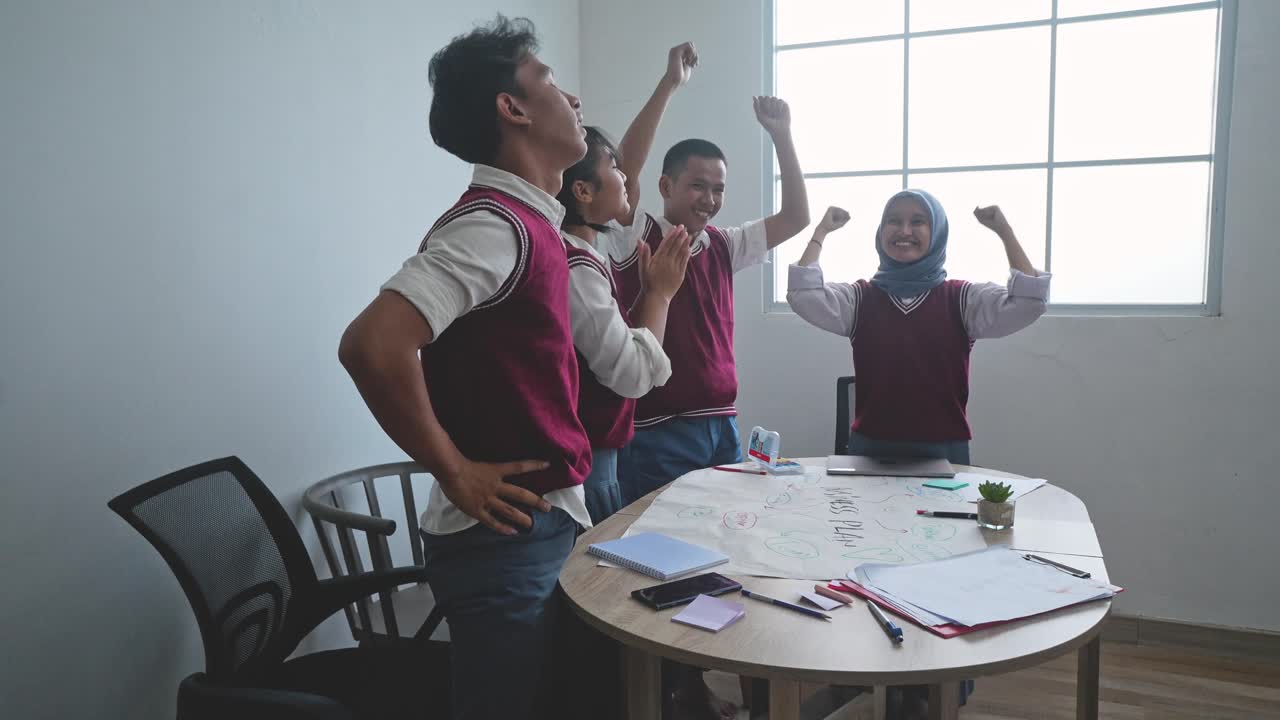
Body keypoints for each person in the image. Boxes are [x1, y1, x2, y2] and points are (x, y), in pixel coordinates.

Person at [337, 15, 591, 719]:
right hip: (504, 542)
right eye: (550, 81)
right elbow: (371, 344)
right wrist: (452, 468)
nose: (573, 100)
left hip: (537, 526)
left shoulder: (533, 222)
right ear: (512, 109)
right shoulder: (496, 225)